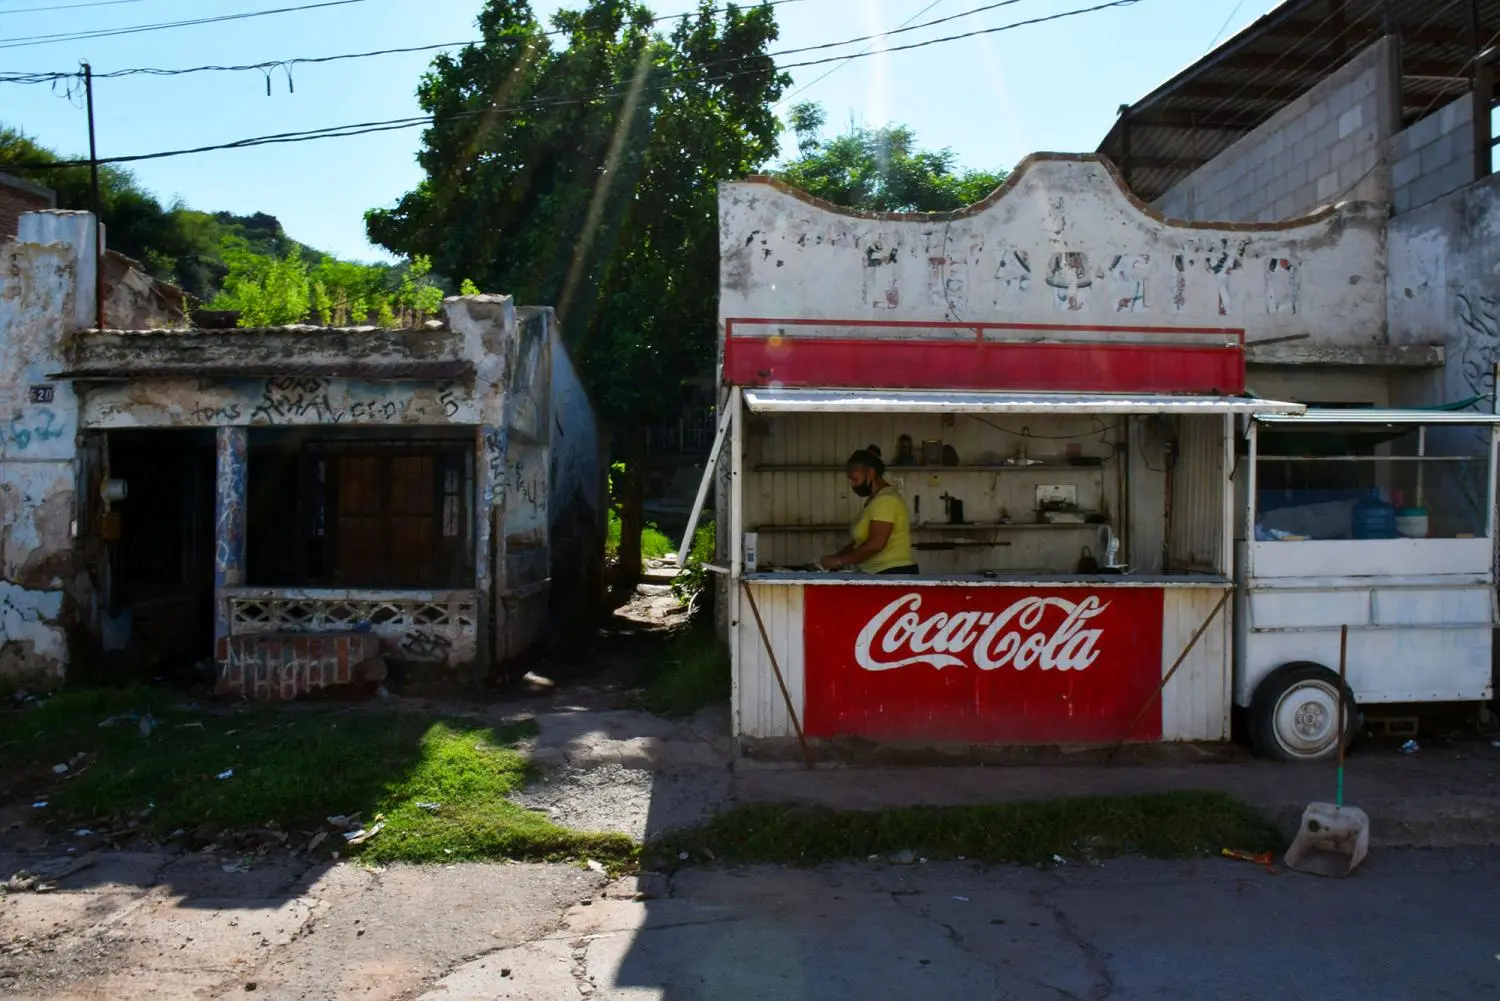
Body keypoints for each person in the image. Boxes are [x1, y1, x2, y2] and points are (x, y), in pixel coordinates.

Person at [820, 445, 917, 574]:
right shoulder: (875, 500)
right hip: (877, 572)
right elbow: (860, 542)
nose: (852, 484)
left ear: (871, 473)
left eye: (855, 479)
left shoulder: (886, 500)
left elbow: (876, 543)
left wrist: (840, 561)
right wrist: (837, 557)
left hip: (892, 573)